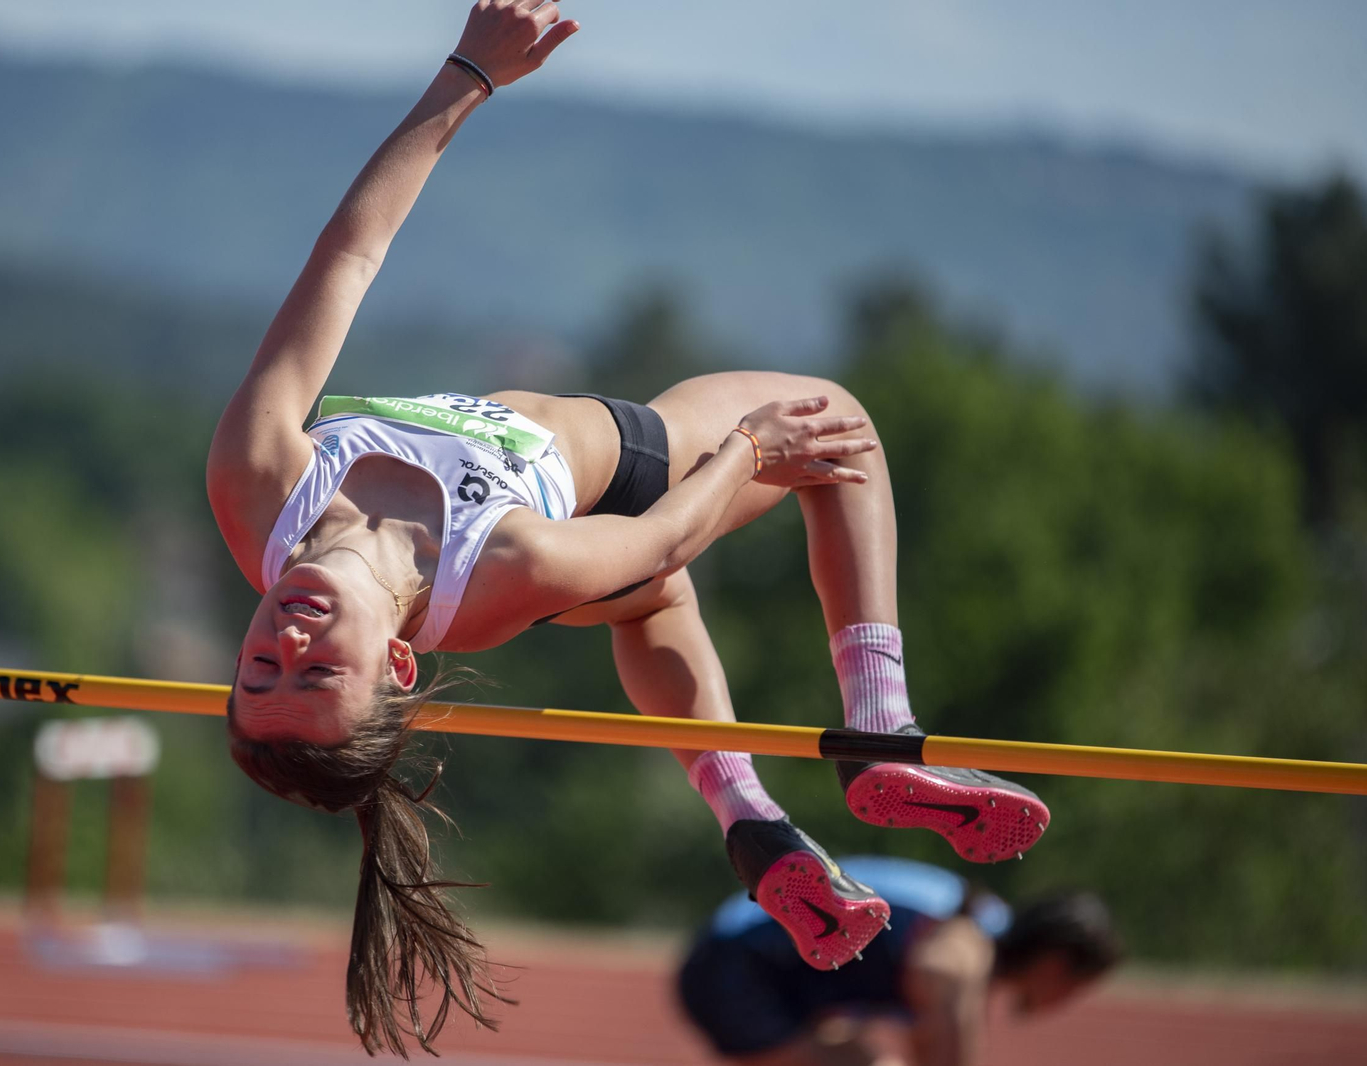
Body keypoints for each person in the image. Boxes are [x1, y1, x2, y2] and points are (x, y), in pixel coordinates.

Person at [205, 2, 1051, 1055]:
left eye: (258, 673)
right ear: (396, 665)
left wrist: (468, 72)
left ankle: (747, 813)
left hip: (599, 570)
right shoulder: (506, 563)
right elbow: (655, 541)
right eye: (314, 676)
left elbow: (349, 254)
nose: (283, 646)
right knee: (842, 432)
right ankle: (877, 731)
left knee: (657, 604)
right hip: (628, 489)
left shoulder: (254, 482)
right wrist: (748, 447)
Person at [678, 857, 1120, 1066]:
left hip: (743, 967)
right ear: (1055, 965)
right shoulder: (970, 942)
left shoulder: (974, 923)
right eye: (1076, 988)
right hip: (734, 964)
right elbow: (938, 973)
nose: (1068, 1002)